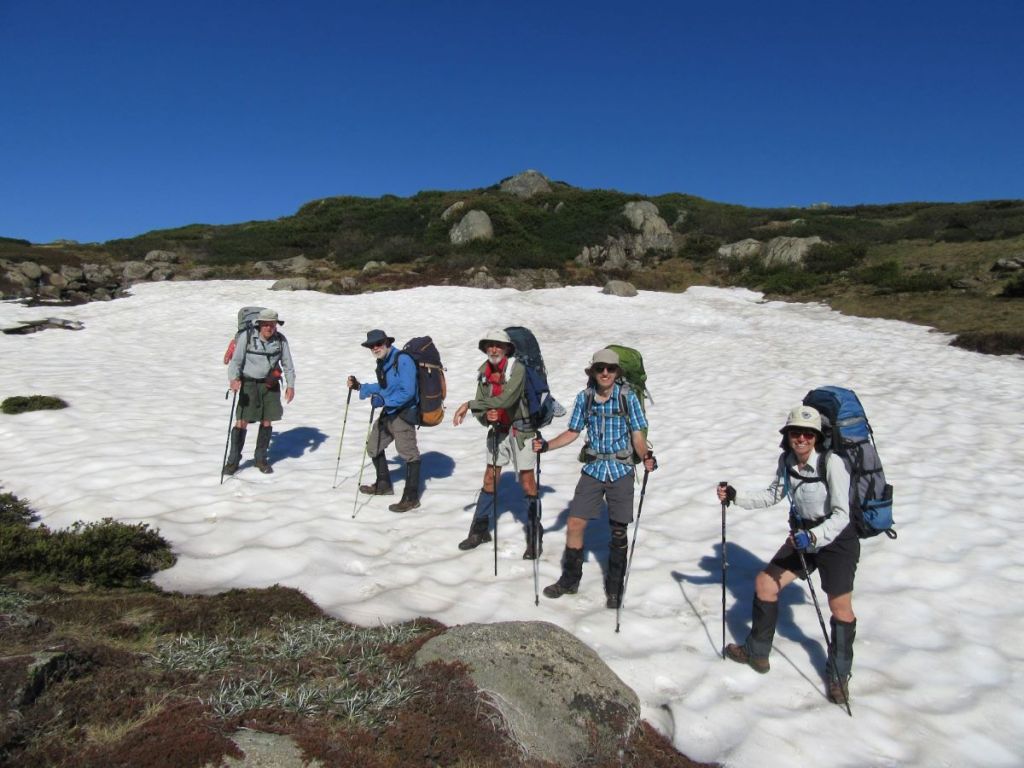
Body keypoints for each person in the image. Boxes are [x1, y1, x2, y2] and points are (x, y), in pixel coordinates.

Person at [717, 403, 858, 706]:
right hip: (803, 537)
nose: (802, 439)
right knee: (765, 584)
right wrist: (737, 496)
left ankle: (838, 674)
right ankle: (757, 652)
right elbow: (773, 494)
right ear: (788, 435)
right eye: (796, 433)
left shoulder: (831, 463)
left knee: (840, 607)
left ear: (817, 437)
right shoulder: (787, 461)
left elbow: (842, 513)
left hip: (836, 541)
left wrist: (814, 537)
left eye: (809, 434)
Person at [532, 348, 656, 608]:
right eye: (600, 368)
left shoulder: (627, 398)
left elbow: (637, 435)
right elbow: (573, 432)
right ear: (593, 371)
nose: (605, 373)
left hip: (621, 469)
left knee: (619, 531)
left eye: (610, 369)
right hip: (593, 468)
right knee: (575, 522)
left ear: (617, 372)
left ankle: (614, 588)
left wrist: (645, 455)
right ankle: (570, 579)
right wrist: (547, 446)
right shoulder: (584, 398)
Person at [452, 330, 540, 558]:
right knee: (490, 477)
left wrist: (470, 405)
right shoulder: (483, 372)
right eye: (490, 346)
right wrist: (484, 417)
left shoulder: (516, 368)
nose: (493, 349)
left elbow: (507, 399)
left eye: (498, 346)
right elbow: (483, 405)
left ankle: (534, 535)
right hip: (498, 430)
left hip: (522, 430)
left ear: (507, 349)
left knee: (527, 481)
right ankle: (479, 530)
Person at [347, 329, 421, 513]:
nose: (375, 348)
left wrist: (385, 401)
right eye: (372, 346)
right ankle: (383, 484)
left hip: (404, 414)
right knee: (373, 446)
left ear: (387, 342)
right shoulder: (385, 362)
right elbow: (384, 386)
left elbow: (408, 392)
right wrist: (361, 387)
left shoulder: (402, 360)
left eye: (378, 343)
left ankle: (411, 498)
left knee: (409, 453)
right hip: (389, 412)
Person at [223, 308, 295, 475]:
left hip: (270, 385)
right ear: (259, 324)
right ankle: (233, 461)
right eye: (266, 325)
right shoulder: (246, 338)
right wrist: (234, 379)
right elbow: (236, 361)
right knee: (242, 420)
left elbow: (288, 365)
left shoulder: (281, 340)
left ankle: (260, 459)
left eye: (273, 325)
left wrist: (290, 386)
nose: (269, 328)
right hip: (249, 383)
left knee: (267, 420)